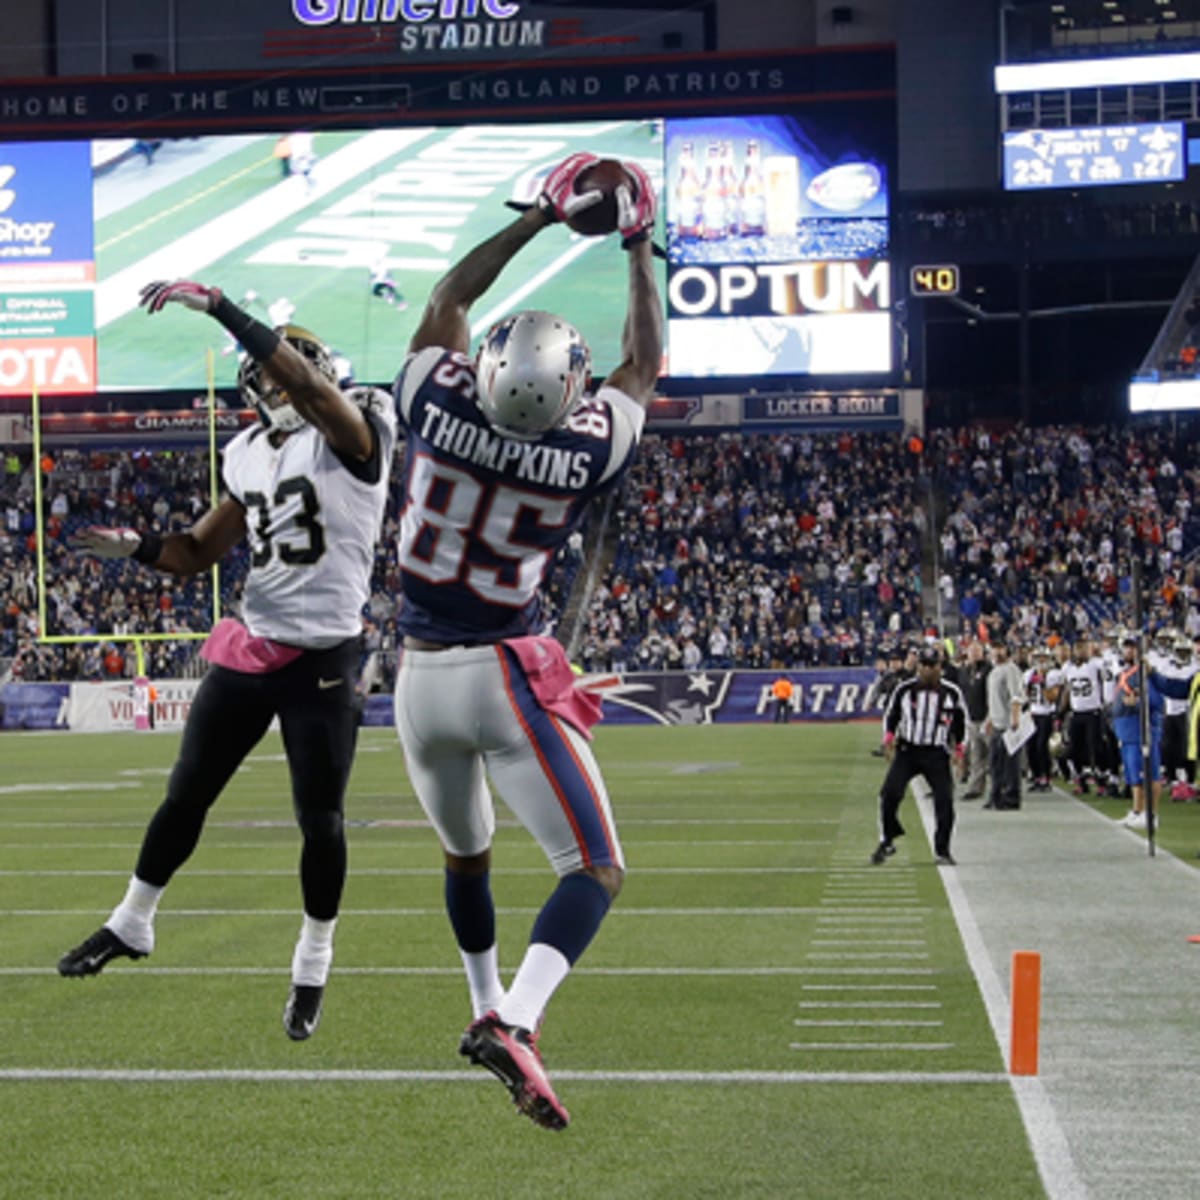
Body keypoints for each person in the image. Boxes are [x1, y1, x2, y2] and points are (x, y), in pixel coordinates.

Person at [390, 151, 660, 1131]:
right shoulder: (581, 449)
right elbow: (643, 367)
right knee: (594, 870)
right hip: (502, 676)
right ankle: (518, 1020)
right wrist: (635, 247)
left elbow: (448, 297)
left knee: (470, 860)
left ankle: (481, 1003)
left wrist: (539, 219)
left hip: (415, 685)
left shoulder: (433, 399)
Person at [56, 281, 397, 1047]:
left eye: (291, 370)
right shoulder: (245, 451)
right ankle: (132, 921)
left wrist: (220, 308)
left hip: (325, 654)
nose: (283, 382)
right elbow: (199, 550)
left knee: (321, 819)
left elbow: (312, 390)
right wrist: (138, 547)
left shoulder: (360, 424)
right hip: (254, 642)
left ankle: (313, 960)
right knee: (186, 795)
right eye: (272, 375)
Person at [871, 644, 967, 867]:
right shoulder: (904, 689)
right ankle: (887, 839)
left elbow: (962, 722)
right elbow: (892, 714)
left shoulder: (952, 692)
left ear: (939, 667)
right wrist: (888, 738)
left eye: (932, 666)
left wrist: (960, 749)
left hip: (937, 752)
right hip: (908, 750)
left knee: (944, 802)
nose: (927, 670)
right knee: (889, 794)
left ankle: (942, 850)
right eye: (923, 665)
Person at [984, 640, 1027, 810]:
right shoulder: (994, 672)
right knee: (995, 763)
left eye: (999, 649)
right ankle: (996, 795)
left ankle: (1011, 797)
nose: (996, 653)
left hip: (1008, 724)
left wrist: (1015, 718)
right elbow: (993, 699)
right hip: (996, 722)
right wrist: (989, 719)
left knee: (1010, 764)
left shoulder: (1011, 669)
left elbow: (1016, 696)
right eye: (994, 650)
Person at [958, 638, 991, 798]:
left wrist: (991, 716)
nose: (975, 654)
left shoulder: (989, 669)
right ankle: (976, 788)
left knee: (995, 756)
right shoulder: (964, 672)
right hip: (971, 719)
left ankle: (1002, 787)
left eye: (977, 651)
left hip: (988, 718)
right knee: (976, 755)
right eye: (972, 651)